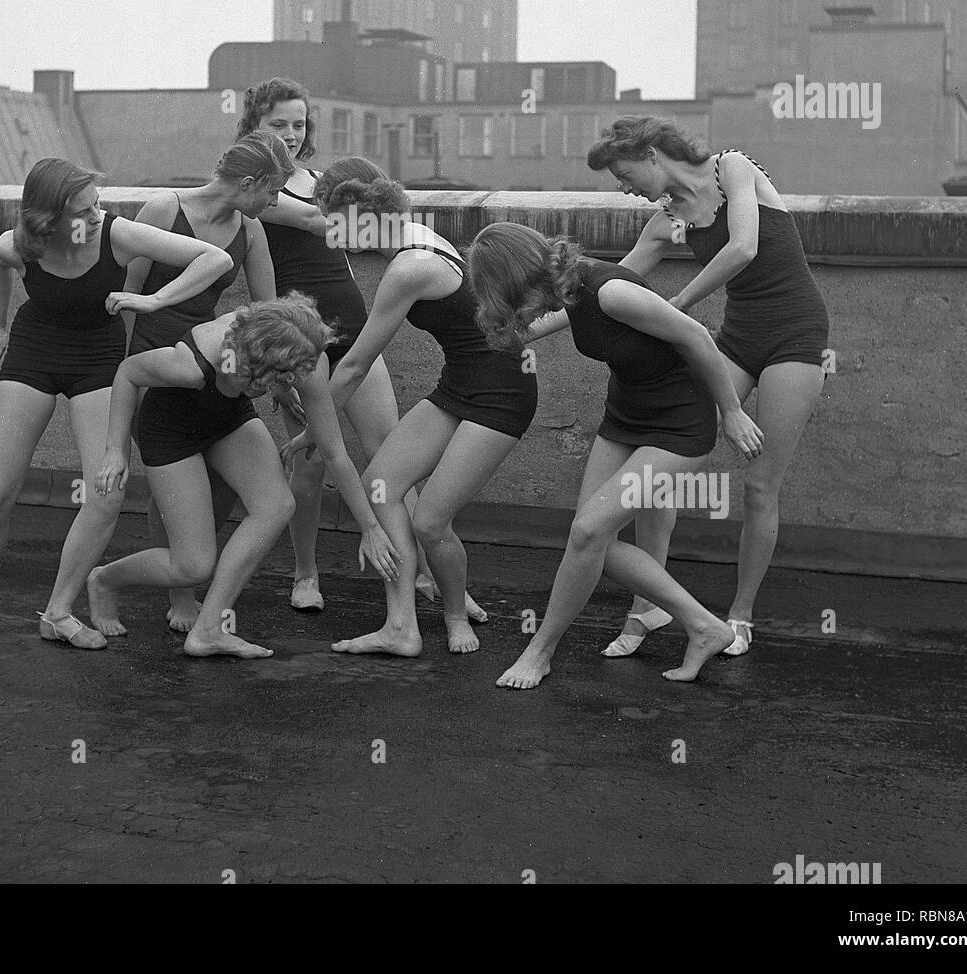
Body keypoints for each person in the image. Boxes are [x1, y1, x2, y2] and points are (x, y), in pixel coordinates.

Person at [0, 157, 233, 648]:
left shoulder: (117, 234)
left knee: (106, 492)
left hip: (98, 359)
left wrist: (156, 301)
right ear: (48, 220)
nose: (97, 215)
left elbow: (215, 259)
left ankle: (58, 611)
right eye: (83, 210)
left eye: (98, 204)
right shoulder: (21, 244)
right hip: (35, 349)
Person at [467, 222, 764, 688]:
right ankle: (704, 626)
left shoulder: (610, 292)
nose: (517, 310)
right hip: (626, 415)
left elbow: (697, 337)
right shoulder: (569, 293)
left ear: (526, 277)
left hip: (679, 423)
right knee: (590, 539)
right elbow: (538, 325)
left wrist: (731, 411)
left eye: (510, 297)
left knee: (588, 531)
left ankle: (540, 650)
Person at [241, 79, 483, 618]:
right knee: (309, 464)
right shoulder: (254, 186)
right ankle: (306, 573)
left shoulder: (322, 181)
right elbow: (313, 219)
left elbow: (345, 232)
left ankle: (431, 576)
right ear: (254, 124)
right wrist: (367, 204)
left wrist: (359, 203)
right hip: (297, 337)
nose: (290, 133)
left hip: (351, 322)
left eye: (298, 124)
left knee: (390, 456)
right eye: (277, 123)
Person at [591, 117, 829, 656]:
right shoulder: (665, 221)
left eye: (625, 175)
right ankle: (647, 604)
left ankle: (740, 615)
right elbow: (603, 283)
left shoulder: (733, 168)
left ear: (653, 155)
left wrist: (674, 307)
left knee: (759, 485)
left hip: (795, 334)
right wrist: (525, 322)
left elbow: (742, 248)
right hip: (739, 338)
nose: (624, 189)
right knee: (660, 457)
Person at [283, 158, 537, 656]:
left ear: (359, 213)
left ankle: (454, 612)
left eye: (333, 220)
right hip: (459, 384)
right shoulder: (415, 234)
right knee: (382, 485)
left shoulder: (408, 267)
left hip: (501, 394)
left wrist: (312, 430)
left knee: (430, 521)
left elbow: (354, 366)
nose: (330, 233)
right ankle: (401, 627)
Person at [87, 295, 402, 658]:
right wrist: (115, 450)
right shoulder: (192, 363)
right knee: (192, 565)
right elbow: (128, 372)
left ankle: (209, 629)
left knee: (277, 504)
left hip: (228, 417)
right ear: (252, 361)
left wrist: (370, 527)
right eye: (274, 379)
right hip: (169, 429)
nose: (283, 384)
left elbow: (334, 452)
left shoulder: (303, 360)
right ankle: (104, 579)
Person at [118, 131, 293, 634]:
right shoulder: (161, 210)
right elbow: (126, 297)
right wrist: (122, 382)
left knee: (219, 487)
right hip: (155, 366)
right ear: (249, 181)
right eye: (272, 191)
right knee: (170, 487)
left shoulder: (250, 230)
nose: (275, 202)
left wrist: (280, 383)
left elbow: (268, 313)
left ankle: (191, 569)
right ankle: (180, 593)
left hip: (213, 366)